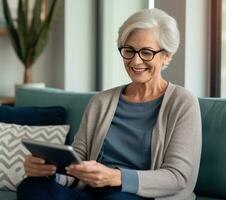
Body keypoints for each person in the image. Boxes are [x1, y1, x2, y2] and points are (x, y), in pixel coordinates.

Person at [17, 8, 202, 200]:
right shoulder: (101, 101)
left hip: (138, 195)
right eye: (129, 50)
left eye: (146, 52)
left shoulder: (182, 102)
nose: (135, 61)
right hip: (91, 192)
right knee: (31, 187)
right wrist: (50, 170)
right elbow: (78, 162)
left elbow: (178, 177)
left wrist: (115, 177)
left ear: (167, 56)